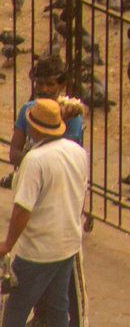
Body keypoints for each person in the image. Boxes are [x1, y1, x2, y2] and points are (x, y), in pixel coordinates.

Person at [0, 99, 88, 327]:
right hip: (68, 243)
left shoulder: (35, 160)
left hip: (39, 250)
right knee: (59, 305)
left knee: (16, 309)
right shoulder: (77, 151)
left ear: (34, 128)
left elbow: (22, 210)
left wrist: (8, 244)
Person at [9, 58, 82, 168]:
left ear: (62, 86)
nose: (43, 89)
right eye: (40, 84)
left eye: (50, 85)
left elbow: (66, 161)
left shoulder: (72, 117)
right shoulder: (27, 109)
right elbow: (14, 154)